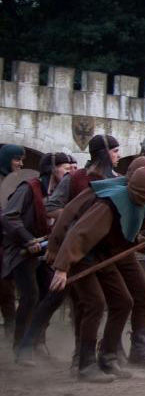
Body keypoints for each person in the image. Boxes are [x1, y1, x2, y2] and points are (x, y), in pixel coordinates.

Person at [49, 166, 145, 382]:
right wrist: (62, 268)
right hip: (81, 257)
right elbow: (79, 233)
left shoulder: (137, 203)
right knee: (95, 303)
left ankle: (108, 358)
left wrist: (144, 245)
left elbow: (119, 236)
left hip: (102, 254)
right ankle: (85, 364)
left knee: (123, 301)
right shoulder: (109, 204)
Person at [1, 152, 73, 359]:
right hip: (21, 251)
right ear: (52, 169)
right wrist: (27, 239)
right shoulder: (28, 188)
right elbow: (9, 216)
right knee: (30, 296)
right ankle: (20, 347)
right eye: (65, 169)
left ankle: (36, 341)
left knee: (54, 292)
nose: (69, 173)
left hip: (45, 251)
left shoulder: (60, 193)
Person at [46, 135, 120, 216]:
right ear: (103, 153)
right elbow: (51, 208)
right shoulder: (74, 177)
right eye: (115, 151)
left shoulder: (119, 180)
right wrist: (79, 219)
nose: (119, 155)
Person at [0, 143, 26, 338]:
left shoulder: (16, 183)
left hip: (8, 242)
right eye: (16, 159)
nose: (20, 163)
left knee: (7, 287)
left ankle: (11, 328)